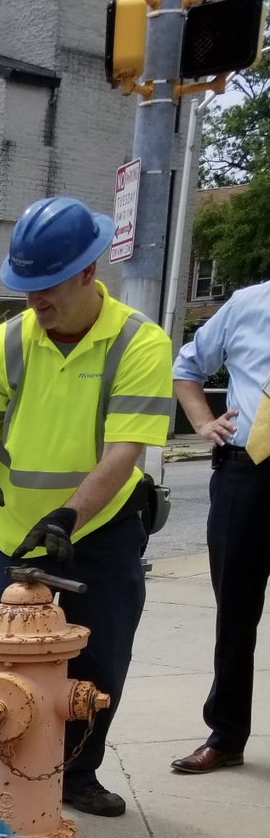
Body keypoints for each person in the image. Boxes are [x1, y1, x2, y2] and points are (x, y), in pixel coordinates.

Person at [0, 196, 173, 817]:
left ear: (87, 272)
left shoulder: (138, 343)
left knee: (98, 666)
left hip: (97, 532)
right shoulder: (9, 341)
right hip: (17, 535)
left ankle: (73, 776)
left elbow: (124, 451)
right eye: (26, 288)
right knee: (2, 670)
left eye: (47, 287)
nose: (35, 301)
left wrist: (70, 515)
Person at [170, 279, 270, 774]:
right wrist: (203, 421)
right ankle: (226, 736)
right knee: (235, 612)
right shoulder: (248, 305)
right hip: (245, 471)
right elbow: (187, 368)